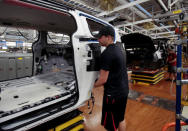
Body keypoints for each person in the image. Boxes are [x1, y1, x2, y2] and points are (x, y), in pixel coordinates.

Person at [94, 26, 129, 131]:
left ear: (108, 37)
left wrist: (91, 86)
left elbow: (103, 79)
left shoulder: (106, 54)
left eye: (100, 37)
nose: (98, 40)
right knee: (121, 118)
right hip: (123, 91)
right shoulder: (119, 50)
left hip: (113, 95)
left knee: (111, 125)